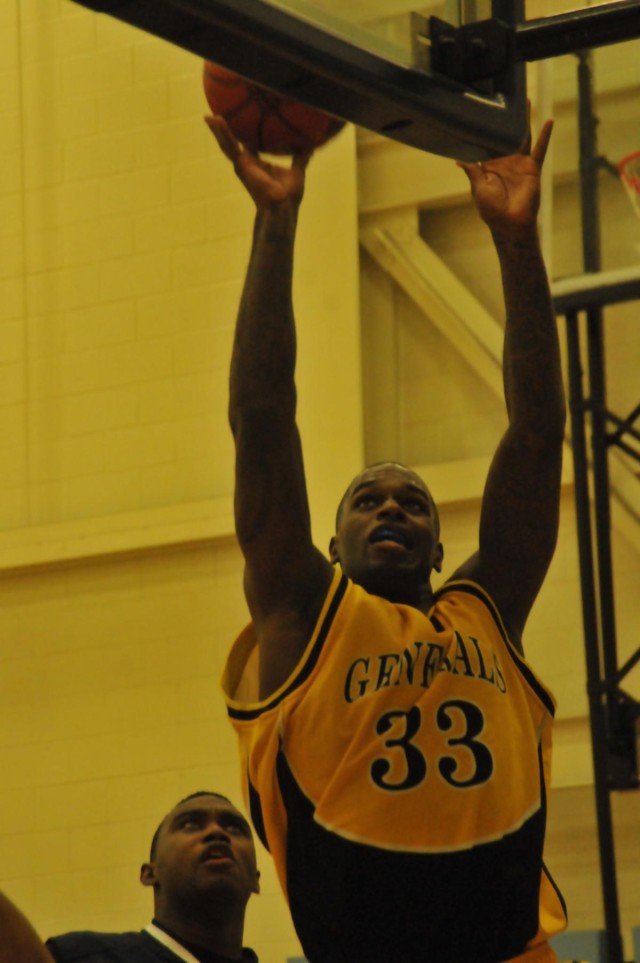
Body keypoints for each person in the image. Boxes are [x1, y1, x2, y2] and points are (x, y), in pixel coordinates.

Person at [212, 111, 568, 963]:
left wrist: (516, 242)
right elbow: (263, 421)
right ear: (329, 545)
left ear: (442, 551)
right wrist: (277, 221)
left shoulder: (484, 612)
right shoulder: (304, 616)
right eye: (367, 500)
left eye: (412, 502)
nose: (393, 507)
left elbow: (537, 435)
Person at [0, 792, 260, 963]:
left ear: (255, 880)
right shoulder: (80, 956)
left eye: (234, 828)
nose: (217, 832)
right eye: (191, 824)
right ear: (150, 873)